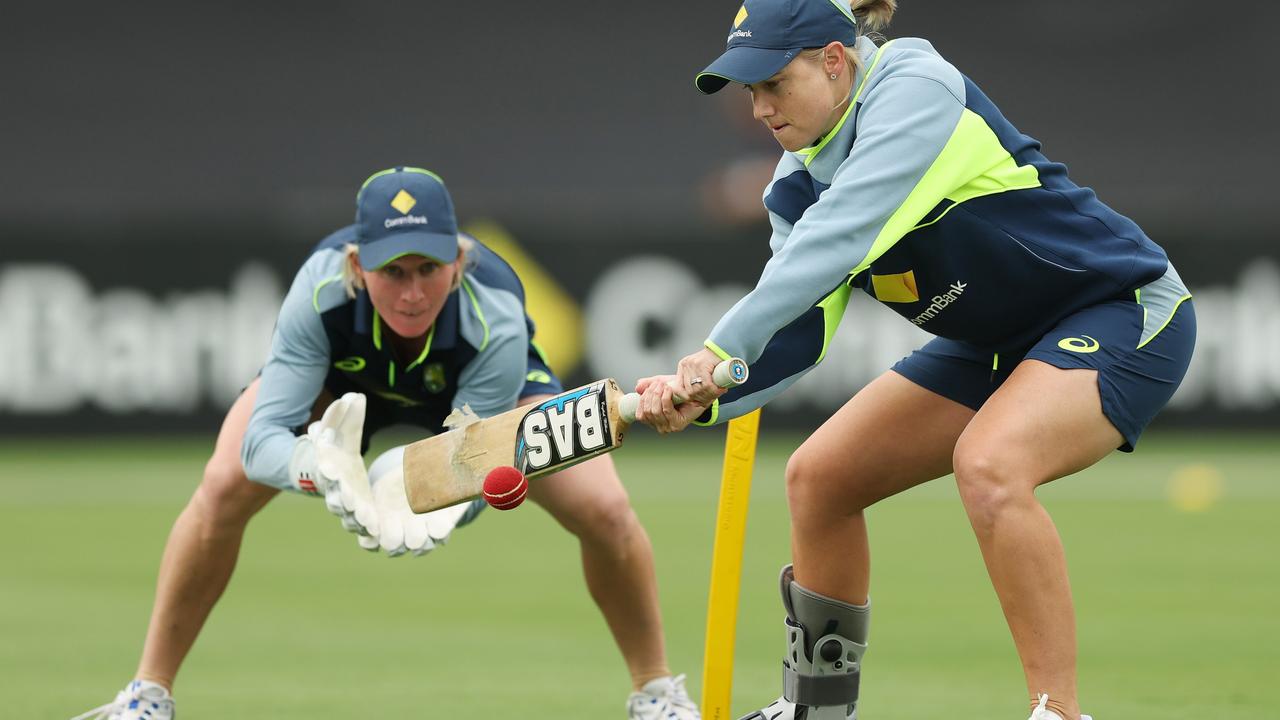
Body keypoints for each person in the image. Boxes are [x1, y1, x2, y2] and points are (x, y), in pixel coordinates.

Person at [632, 2, 1196, 719]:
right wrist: (709, 392)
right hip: (991, 345)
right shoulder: (794, 185)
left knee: (990, 465)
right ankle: (819, 711)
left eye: (775, 83)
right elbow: (799, 328)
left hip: (1120, 309)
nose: (761, 109)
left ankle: (1059, 713)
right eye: (751, 92)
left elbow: (844, 232)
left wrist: (718, 348)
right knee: (819, 477)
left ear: (835, 61)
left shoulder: (913, 85)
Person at [75, 167, 700, 720]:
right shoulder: (318, 295)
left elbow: (475, 454)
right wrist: (316, 466)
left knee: (607, 511)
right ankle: (148, 698)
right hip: (341, 387)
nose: (411, 292)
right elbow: (260, 441)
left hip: (476, 406)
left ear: (456, 262)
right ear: (356, 265)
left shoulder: (495, 316)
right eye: (391, 271)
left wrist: (443, 500)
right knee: (219, 489)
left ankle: (654, 695)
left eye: (429, 269)